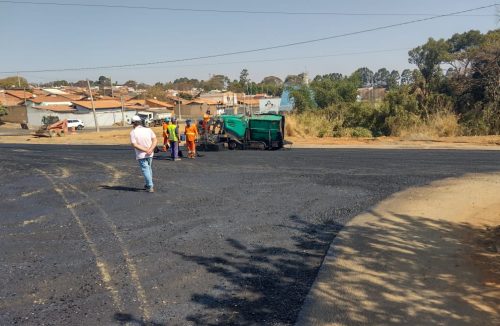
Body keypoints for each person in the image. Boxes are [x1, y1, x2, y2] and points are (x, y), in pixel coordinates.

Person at [130, 115, 157, 193]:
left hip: (141, 155)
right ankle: (148, 184)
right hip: (150, 154)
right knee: (149, 168)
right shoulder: (148, 130)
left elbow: (134, 144)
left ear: (133, 123)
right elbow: (155, 140)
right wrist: (150, 149)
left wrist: (146, 150)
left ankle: (150, 185)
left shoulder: (133, 132)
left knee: (145, 169)